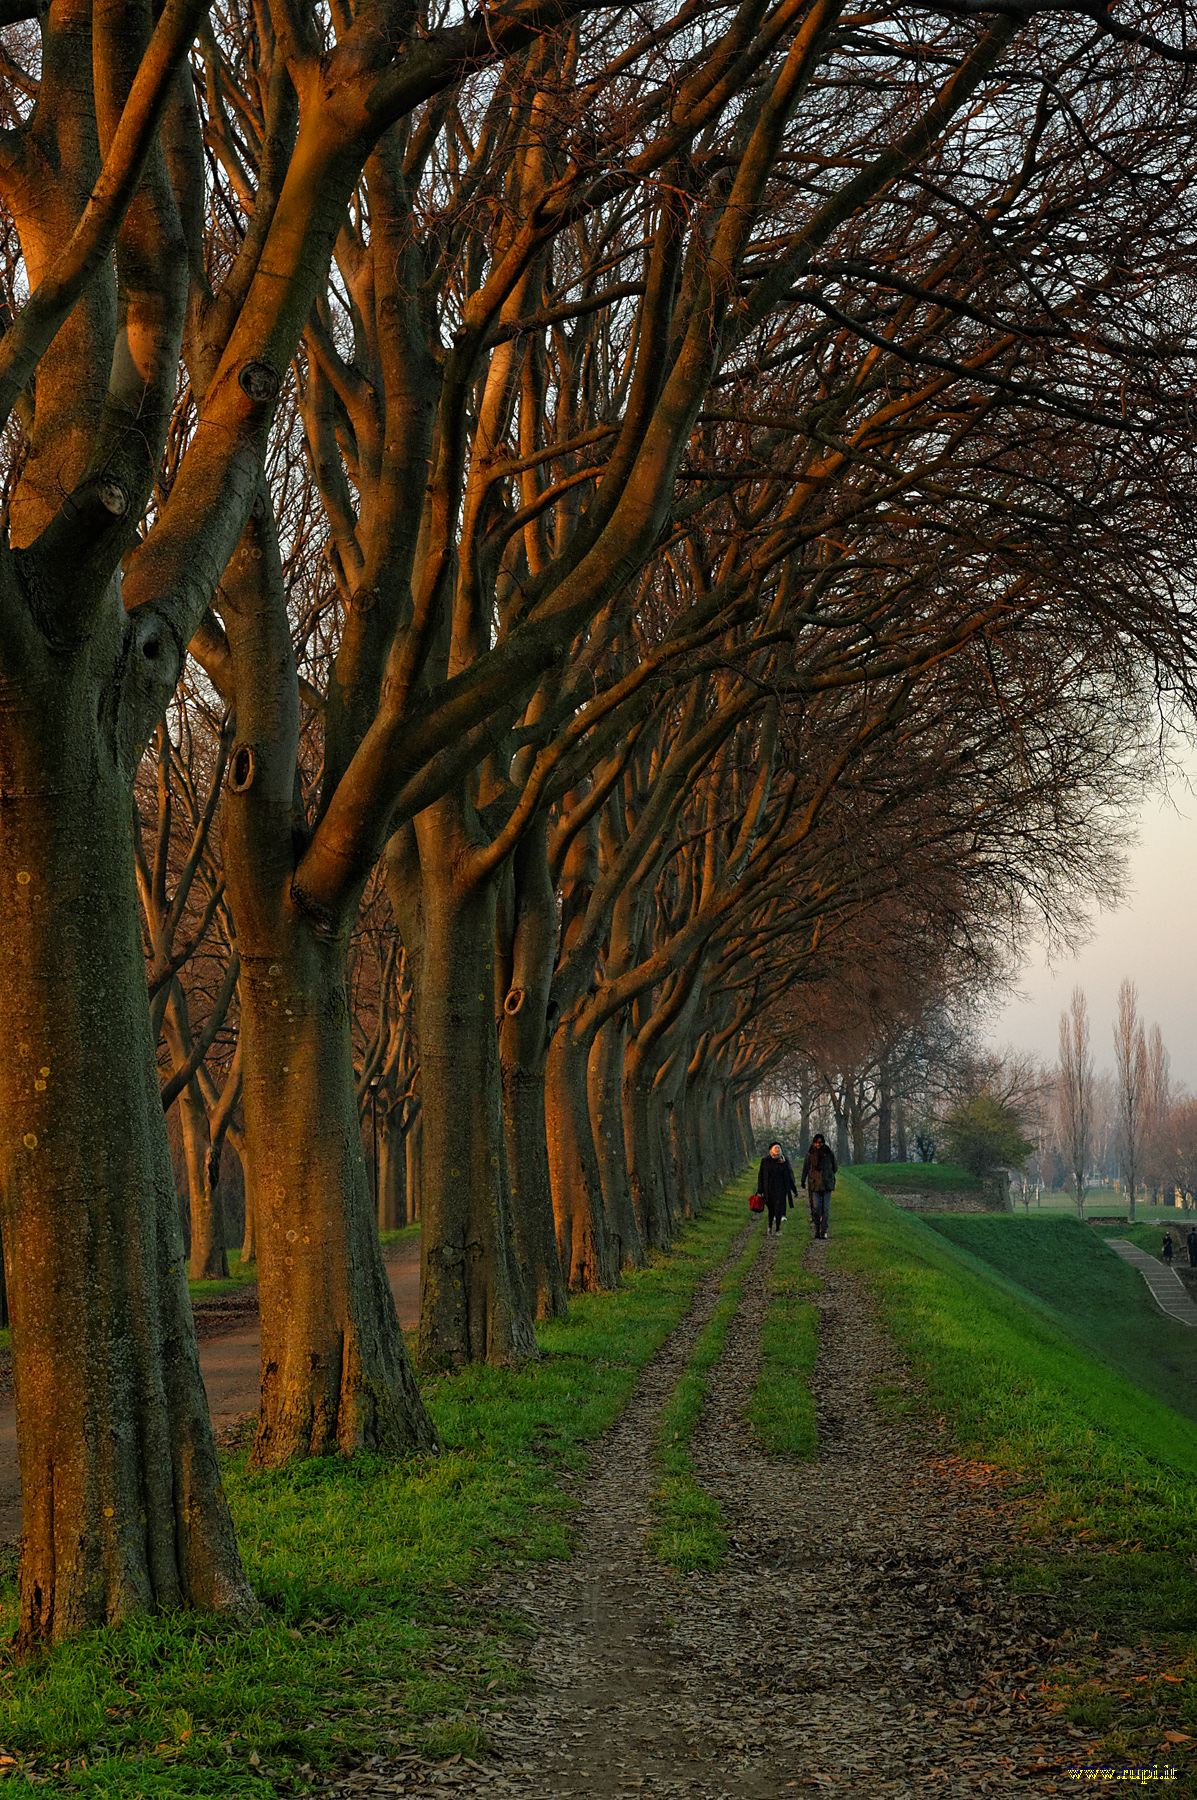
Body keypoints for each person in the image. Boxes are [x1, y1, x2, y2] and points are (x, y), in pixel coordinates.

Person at [755, 1141, 797, 1235]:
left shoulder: (784, 1161)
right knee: (771, 1209)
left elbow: (789, 1176)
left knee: (778, 1209)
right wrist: (760, 1190)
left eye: (779, 1148)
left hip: (780, 1189)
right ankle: (769, 1226)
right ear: (771, 1150)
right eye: (775, 1148)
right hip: (768, 1189)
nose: (777, 1150)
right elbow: (761, 1175)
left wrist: (793, 1189)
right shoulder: (765, 1160)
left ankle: (777, 1229)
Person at [801, 1133, 838, 1240]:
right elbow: (805, 1168)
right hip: (814, 1184)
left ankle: (824, 1230)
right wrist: (803, 1180)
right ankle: (817, 1229)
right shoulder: (810, 1154)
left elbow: (835, 1167)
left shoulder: (829, 1153)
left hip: (827, 1184)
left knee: (826, 1209)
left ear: (823, 1142)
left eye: (820, 1142)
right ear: (813, 1143)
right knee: (816, 1208)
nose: (818, 1144)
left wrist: (828, 1175)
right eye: (816, 1142)